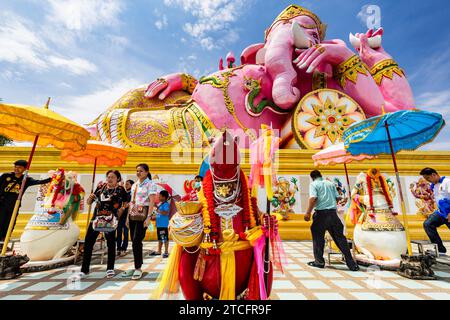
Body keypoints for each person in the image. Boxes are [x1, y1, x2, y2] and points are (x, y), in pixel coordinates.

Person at [304, 170, 359, 271]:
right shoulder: (330, 184)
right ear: (321, 175)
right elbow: (338, 199)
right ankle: (352, 264)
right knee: (341, 239)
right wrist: (343, 200)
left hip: (321, 215)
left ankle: (319, 262)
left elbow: (313, 198)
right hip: (333, 215)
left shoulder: (313, 184)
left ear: (312, 177)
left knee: (318, 239)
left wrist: (308, 212)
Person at [80, 170, 127, 279]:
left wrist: (122, 209)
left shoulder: (120, 189)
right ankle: (84, 269)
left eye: (112, 177)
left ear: (118, 179)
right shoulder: (101, 187)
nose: (110, 179)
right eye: (108, 177)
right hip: (97, 218)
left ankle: (110, 268)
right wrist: (90, 198)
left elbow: (126, 201)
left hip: (110, 219)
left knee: (111, 244)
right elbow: (89, 202)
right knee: (88, 243)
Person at [0, 160, 51, 242]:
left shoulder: (26, 180)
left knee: (10, 224)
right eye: (15, 167)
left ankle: (4, 242)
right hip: (2, 204)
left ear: (25, 169)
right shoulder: (6, 176)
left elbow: (39, 182)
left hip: (14, 206)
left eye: (19, 167)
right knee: (0, 222)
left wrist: (52, 178)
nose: (16, 169)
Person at [122, 163, 156, 280]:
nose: (138, 173)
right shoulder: (135, 185)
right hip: (133, 214)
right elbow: (131, 201)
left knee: (137, 240)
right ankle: (137, 265)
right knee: (134, 241)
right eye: (137, 171)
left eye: (141, 171)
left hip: (143, 214)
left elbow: (152, 202)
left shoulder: (150, 184)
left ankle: (138, 268)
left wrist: (149, 217)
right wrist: (127, 217)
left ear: (146, 172)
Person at [420, 167, 450, 255]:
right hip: (441, 213)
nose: (428, 181)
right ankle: (440, 250)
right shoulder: (434, 185)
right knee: (428, 224)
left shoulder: (447, 182)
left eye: (428, 178)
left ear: (433, 174)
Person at [149, 190, 170, 258]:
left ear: (164, 197)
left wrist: (158, 210)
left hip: (163, 225)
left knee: (165, 238)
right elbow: (159, 214)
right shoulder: (161, 204)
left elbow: (166, 213)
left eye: (160, 196)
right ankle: (159, 251)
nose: (159, 197)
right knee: (160, 238)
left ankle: (166, 251)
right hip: (159, 225)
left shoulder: (166, 204)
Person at [117, 179, 134, 257]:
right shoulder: (122, 193)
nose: (126, 185)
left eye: (127, 184)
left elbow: (130, 205)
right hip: (120, 215)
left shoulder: (132, 194)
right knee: (119, 232)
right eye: (125, 184)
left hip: (127, 215)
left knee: (126, 233)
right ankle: (118, 248)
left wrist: (128, 217)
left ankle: (124, 248)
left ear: (131, 185)